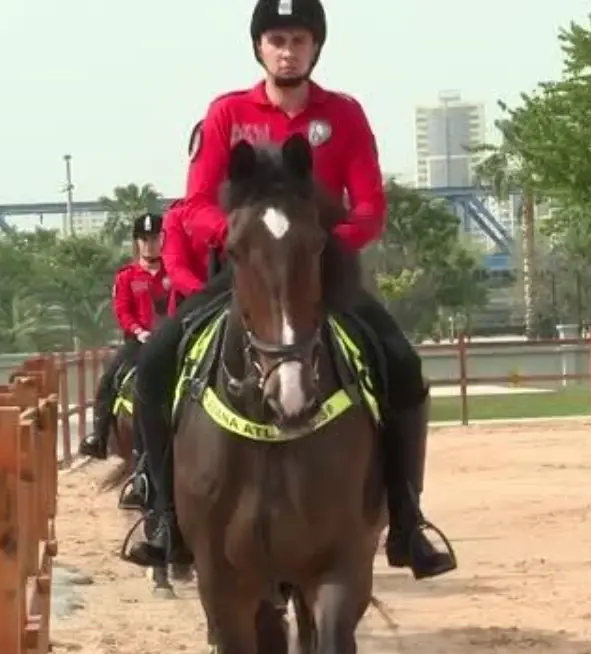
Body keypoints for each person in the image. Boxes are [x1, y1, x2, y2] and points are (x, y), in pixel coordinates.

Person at [123, 0, 457, 581]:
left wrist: (328, 244)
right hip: (245, 270)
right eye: (276, 39)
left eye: (298, 39)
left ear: (316, 48)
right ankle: (162, 514)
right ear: (258, 47)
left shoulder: (345, 116)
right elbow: (195, 203)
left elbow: (370, 206)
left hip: (324, 272)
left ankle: (406, 518)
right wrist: (238, 238)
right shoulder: (226, 114)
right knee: (155, 360)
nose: (287, 50)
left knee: (401, 361)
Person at [77, 213, 169, 461]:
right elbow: (122, 311)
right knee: (110, 378)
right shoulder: (126, 276)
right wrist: (139, 331)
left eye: (155, 238)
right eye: (144, 239)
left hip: (170, 340)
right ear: (137, 242)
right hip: (139, 342)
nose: (150, 244)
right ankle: (99, 436)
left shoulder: (174, 272)